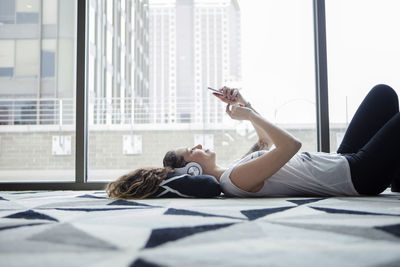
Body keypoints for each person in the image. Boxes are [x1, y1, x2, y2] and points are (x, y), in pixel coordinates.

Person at [106, 84, 400, 199]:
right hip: (359, 176)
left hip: (341, 160)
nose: (197, 145)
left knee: (383, 95)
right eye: (191, 151)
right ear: (192, 172)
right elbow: (290, 146)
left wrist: (245, 105)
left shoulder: (234, 170)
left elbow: (264, 143)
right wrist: (247, 115)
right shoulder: (234, 181)